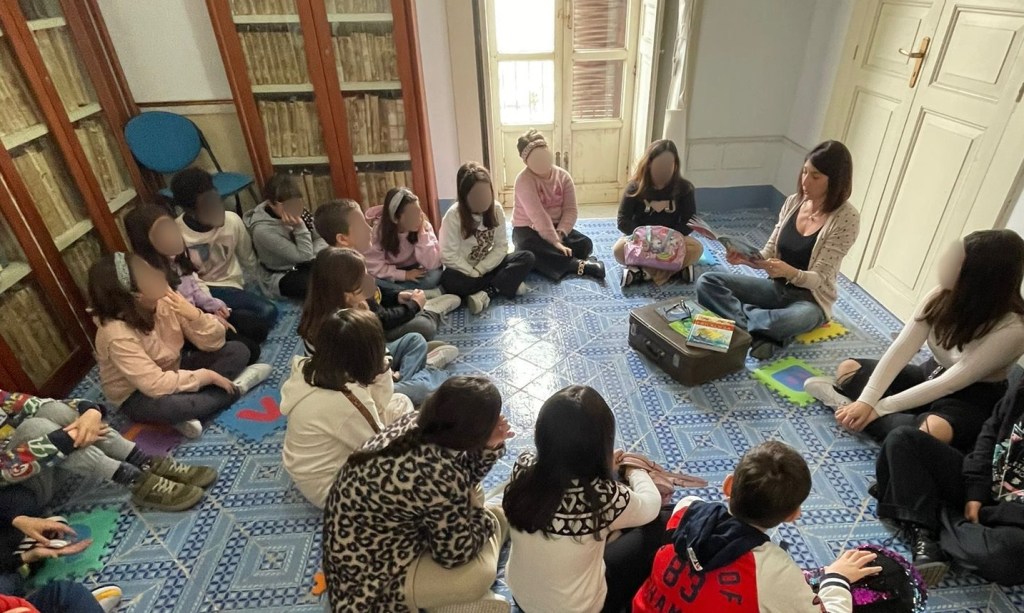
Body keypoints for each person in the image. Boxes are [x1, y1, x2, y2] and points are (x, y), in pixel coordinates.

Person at [805, 230, 1024, 451]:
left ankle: (857, 413)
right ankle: (878, 418)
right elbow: (901, 349)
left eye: (959, 262)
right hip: (931, 373)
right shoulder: (941, 295)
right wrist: (867, 401)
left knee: (933, 430)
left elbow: (949, 384)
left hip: (971, 396)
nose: (946, 264)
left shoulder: (1013, 329)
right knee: (848, 369)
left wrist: (878, 408)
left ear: (982, 278)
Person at [322, 376, 514, 612]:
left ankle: (495, 519)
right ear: (471, 435)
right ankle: (495, 522)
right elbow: (454, 554)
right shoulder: (438, 473)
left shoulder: (419, 423)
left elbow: (458, 478)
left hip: (363, 550)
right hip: (373, 586)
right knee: (478, 575)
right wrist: (482, 520)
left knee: (471, 493)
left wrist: (488, 448)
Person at [632, 441, 882, 612]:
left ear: (728, 485)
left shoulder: (686, 508)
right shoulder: (773, 569)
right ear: (793, 515)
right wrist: (837, 577)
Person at [503, 386, 664, 613]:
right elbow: (652, 505)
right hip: (580, 609)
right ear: (601, 445)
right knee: (660, 523)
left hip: (521, 597)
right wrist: (634, 471)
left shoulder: (523, 466)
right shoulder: (604, 496)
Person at [696, 140, 859, 360]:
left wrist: (789, 272)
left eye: (815, 177)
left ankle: (759, 325)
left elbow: (819, 279)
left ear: (836, 181)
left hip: (811, 300)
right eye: (804, 172)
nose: (805, 182)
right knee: (707, 282)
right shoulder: (793, 202)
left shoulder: (846, 218)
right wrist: (745, 259)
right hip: (776, 289)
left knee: (784, 321)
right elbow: (769, 252)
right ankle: (766, 333)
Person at [90, 253, 270, 439]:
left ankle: (194, 409)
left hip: (174, 367)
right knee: (171, 407)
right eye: (147, 274)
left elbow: (212, 343)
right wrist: (206, 376)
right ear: (136, 295)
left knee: (238, 350)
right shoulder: (116, 334)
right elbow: (154, 384)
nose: (158, 273)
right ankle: (237, 388)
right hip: (139, 394)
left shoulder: (166, 299)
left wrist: (195, 316)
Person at [873, 374, 1024, 587]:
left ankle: (923, 521)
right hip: (985, 490)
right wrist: (975, 491)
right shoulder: (1020, 387)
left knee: (1005, 555)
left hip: (1014, 521)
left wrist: (988, 512)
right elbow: (989, 435)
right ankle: (933, 520)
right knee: (902, 440)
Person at [281, 309, 413, 509]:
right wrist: (383, 368)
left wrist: (382, 369)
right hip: (332, 491)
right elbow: (380, 450)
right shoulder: (349, 401)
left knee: (401, 401)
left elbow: (378, 406)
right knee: (416, 464)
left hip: (305, 469)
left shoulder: (308, 366)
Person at [1, 389, 216, 511]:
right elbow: (5, 471)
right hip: (16, 497)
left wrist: (89, 412)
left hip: (41, 466)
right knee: (36, 428)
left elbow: (37, 404)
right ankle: (134, 479)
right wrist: (66, 439)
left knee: (55, 411)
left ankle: (145, 461)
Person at [297, 248, 455, 405]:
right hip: (357, 390)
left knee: (415, 340)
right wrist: (387, 372)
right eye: (363, 280)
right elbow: (358, 376)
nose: (370, 281)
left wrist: (395, 297)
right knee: (424, 388)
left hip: (371, 365)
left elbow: (376, 350)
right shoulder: (340, 328)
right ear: (347, 295)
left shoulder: (346, 304)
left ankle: (411, 378)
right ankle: (427, 371)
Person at [125, 202, 264, 363]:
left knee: (257, 327)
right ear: (146, 243)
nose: (171, 236)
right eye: (160, 234)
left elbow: (197, 287)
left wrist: (215, 306)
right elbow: (179, 319)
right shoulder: (152, 275)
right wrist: (208, 319)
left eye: (171, 228)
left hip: (200, 314)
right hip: (188, 328)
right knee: (250, 351)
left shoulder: (177, 258)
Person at [314, 199, 459, 341]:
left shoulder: (348, 259)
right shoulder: (344, 274)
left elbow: (376, 289)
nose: (369, 229)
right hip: (368, 334)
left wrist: (397, 296)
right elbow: (381, 319)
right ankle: (431, 311)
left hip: (374, 313)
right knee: (424, 326)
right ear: (342, 239)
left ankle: (421, 306)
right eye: (360, 225)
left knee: (405, 289)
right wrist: (413, 306)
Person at [172, 167, 279, 326]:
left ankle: (222, 317)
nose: (218, 210)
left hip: (232, 287)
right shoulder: (176, 233)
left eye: (217, 201)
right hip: (201, 291)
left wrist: (263, 290)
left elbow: (248, 259)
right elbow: (183, 281)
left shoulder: (232, 220)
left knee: (268, 312)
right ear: (191, 212)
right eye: (208, 208)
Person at [440, 162, 535, 314]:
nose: (483, 199)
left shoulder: (496, 209)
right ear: (465, 197)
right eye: (476, 195)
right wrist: (472, 272)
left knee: (527, 257)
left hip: (488, 266)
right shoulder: (453, 216)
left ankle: (486, 293)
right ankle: (503, 284)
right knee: (448, 280)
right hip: (464, 271)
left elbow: (501, 247)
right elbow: (447, 255)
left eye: (485, 193)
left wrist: (481, 268)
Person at [511, 129, 605, 282]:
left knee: (585, 244)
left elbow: (570, 211)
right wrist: (555, 243)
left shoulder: (563, 176)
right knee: (528, 248)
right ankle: (577, 265)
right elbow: (538, 216)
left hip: (557, 227)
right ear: (526, 162)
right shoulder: (523, 180)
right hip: (529, 229)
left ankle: (550, 261)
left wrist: (560, 234)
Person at [614, 139, 704, 287]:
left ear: (675, 165)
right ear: (649, 163)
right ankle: (673, 270)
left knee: (696, 249)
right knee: (618, 250)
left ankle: (644, 272)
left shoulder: (684, 188)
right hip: (642, 240)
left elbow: (690, 220)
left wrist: (670, 238)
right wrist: (644, 236)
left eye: (669, 164)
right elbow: (622, 220)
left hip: (672, 240)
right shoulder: (634, 187)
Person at [243, 173, 327, 299]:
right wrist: (299, 227)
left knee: (339, 266)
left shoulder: (298, 210)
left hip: (306, 261)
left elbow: (320, 237)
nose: (295, 208)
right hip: (282, 273)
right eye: (287, 205)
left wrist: (316, 254)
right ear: (271, 204)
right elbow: (304, 256)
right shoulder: (263, 231)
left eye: (298, 203)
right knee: (319, 287)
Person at [364, 187, 443, 292]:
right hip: (390, 272)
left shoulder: (424, 226)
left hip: (416, 269)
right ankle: (412, 293)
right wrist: (404, 275)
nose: (418, 219)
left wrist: (421, 234)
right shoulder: (378, 231)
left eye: (418, 213)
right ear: (396, 219)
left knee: (434, 275)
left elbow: (433, 263)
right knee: (372, 282)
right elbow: (374, 267)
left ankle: (400, 293)